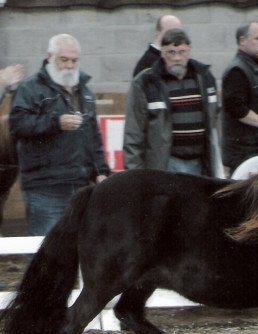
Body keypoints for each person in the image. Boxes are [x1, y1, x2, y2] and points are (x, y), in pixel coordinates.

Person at [9, 34, 109, 237]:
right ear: (50, 57)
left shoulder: (86, 93)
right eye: (64, 59)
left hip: (80, 185)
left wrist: (101, 171)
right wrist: (55, 122)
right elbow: (18, 125)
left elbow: (93, 137)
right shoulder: (30, 89)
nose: (70, 65)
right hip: (44, 187)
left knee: (75, 249)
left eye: (74, 60)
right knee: (44, 251)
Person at [124, 28, 223, 177]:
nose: (177, 58)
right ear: (162, 52)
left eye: (181, 52)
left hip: (200, 163)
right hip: (165, 164)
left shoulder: (205, 78)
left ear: (189, 51)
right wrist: (134, 175)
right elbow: (133, 133)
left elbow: (216, 121)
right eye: (171, 52)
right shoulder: (146, 82)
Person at [221, 21, 258, 174]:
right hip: (245, 154)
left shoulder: (256, 69)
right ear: (242, 41)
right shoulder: (237, 70)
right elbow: (236, 108)